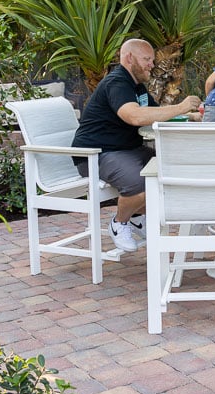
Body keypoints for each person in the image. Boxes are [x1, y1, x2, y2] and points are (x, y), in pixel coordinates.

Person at [72, 38, 201, 252]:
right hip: (99, 153)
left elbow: (156, 114)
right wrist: (181, 106)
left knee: (172, 167)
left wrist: (190, 116)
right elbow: (133, 116)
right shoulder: (117, 82)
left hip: (128, 150)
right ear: (129, 58)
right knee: (143, 183)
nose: (152, 64)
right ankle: (119, 222)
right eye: (147, 59)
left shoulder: (137, 86)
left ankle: (137, 218)